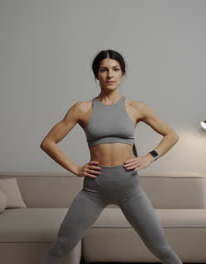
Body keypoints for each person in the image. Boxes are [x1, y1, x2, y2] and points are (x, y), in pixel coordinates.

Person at [39, 49, 181, 264]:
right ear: (96, 75)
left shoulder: (136, 107)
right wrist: (75, 168)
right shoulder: (82, 108)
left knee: (161, 248)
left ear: (123, 74)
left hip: (130, 189)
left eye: (115, 69)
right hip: (93, 190)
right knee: (61, 246)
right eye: (103, 70)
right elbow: (48, 142)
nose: (110, 75)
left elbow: (171, 135)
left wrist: (150, 157)